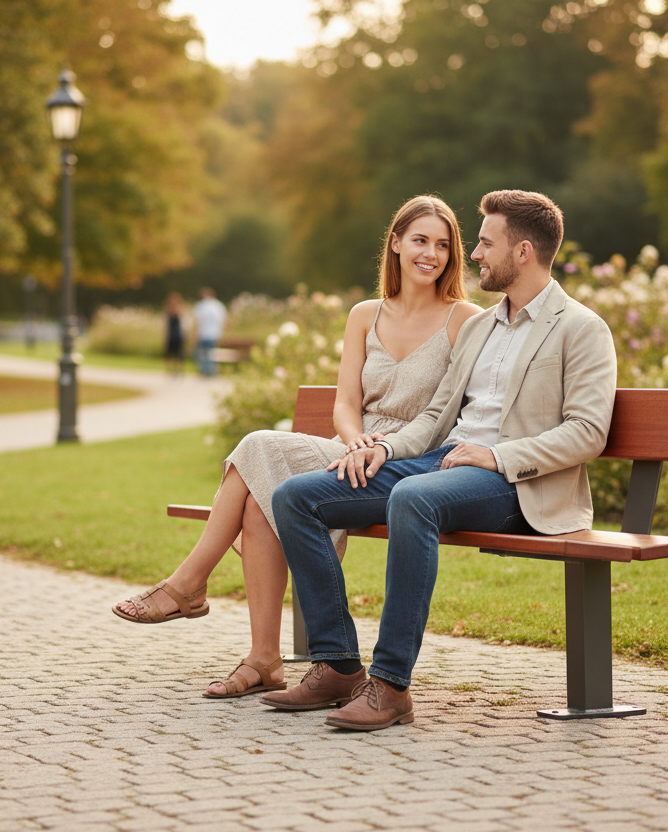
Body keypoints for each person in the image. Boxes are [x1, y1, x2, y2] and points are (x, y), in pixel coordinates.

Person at [263, 190, 618, 731]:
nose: (473, 255)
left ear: (522, 252)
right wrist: (385, 447)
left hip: (517, 485)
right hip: (443, 464)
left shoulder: (581, 327)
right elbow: (435, 416)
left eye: (485, 243)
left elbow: (588, 431)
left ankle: (391, 685)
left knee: (412, 499)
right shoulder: (479, 326)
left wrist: (498, 456)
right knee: (297, 497)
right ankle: (337, 665)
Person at [113, 195, 484, 699]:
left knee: (259, 467)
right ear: (395, 243)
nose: (431, 254)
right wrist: (354, 440)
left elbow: (440, 416)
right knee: (261, 475)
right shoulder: (364, 315)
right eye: (420, 240)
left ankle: (191, 590)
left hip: (409, 461)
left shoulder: (464, 318)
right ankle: (261, 656)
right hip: (351, 449)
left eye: (443, 245)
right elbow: (345, 404)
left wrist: (381, 448)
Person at [192, 287, 227, 377]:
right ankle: (211, 371)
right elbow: (223, 321)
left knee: (201, 354)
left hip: (203, 334)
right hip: (214, 334)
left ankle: (204, 371)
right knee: (211, 354)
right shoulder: (219, 306)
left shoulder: (201, 305)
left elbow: (197, 321)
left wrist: (195, 334)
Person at [163, 291, 185, 375]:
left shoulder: (180, 310)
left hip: (178, 335)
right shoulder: (167, 311)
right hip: (170, 335)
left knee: (179, 354)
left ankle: (179, 370)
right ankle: (169, 370)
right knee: (169, 354)